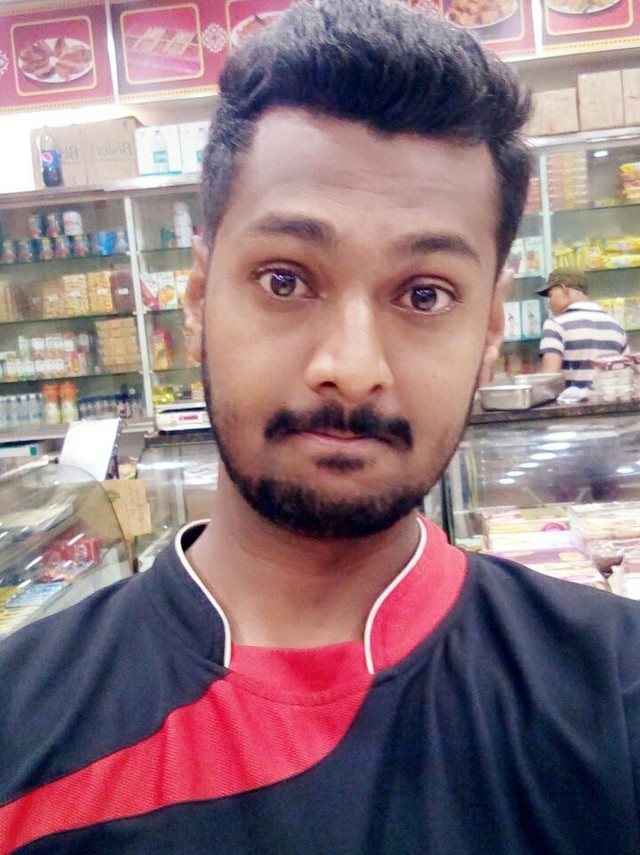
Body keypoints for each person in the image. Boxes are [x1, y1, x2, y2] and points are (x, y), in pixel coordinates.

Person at [2, 2, 640, 852]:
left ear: (490, 329)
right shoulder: (20, 724)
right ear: (197, 299)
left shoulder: (615, 691)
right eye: (285, 279)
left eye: (424, 294)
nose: (351, 364)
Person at [538, 268, 628, 388]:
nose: (549, 304)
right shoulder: (616, 326)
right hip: (608, 399)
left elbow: (549, 379)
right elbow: (625, 375)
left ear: (564, 290)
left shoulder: (555, 325)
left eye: (550, 296)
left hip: (571, 400)